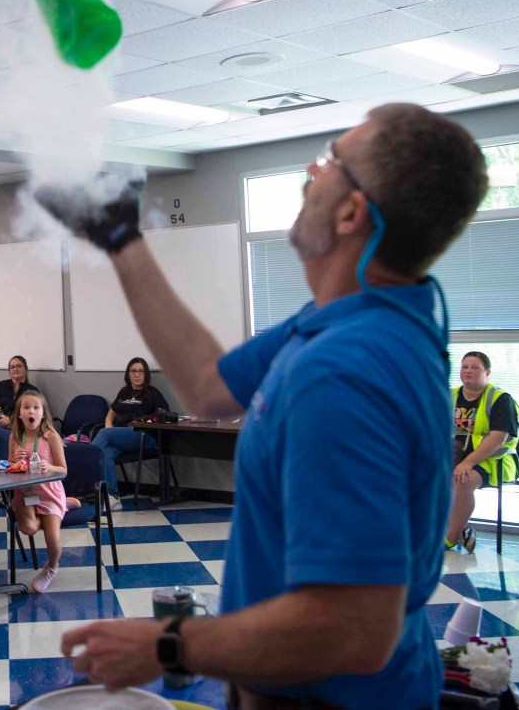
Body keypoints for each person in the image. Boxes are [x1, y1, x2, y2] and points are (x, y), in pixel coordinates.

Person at [43, 103, 488, 708]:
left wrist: (167, 644)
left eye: (331, 159)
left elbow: (356, 631)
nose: (312, 167)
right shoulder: (347, 322)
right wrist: (122, 239)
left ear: (354, 211)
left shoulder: (345, 370)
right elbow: (207, 385)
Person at [446, 351, 519, 554]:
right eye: (464, 366)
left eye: (475, 367)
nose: (468, 371)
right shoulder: (449, 395)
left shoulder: (500, 399)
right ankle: (458, 529)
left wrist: (468, 463)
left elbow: (497, 439)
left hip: (491, 461)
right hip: (452, 457)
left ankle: (449, 539)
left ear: (487, 372)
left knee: (461, 479)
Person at [90, 357, 169, 511]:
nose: (137, 374)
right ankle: (113, 498)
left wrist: (108, 432)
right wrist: (108, 425)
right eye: (133, 371)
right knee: (106, 454)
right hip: (120, 436)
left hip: (143, 436)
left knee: (104, 435)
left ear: (146, 374)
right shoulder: (124, 392)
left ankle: (84, 462)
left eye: (141, 371)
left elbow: (164, 414)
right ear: (128, 374)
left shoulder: (152, 393)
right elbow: (112, 411)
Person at [9, 390, 68, 594]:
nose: (31, 411)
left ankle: (51, 567)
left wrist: (48, 467)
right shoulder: (15, 438)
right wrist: (15, 460)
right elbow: (9, 468)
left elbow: (63, 469)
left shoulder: (51, 437)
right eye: (26, 407)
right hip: (25, 495)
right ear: (19, 414)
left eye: (36, 407)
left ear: (43, 413)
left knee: (52, 537)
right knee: (29, 528)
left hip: (49, 494)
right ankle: (64, 506)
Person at [0, 355, 38, 428]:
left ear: (26, 368)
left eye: (19, 366)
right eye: (12, 367)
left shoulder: (32, 391)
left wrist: (11, 420)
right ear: (9, 371)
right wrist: (0, 419)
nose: (15, 369)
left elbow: (34, 414)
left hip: (19, 426)